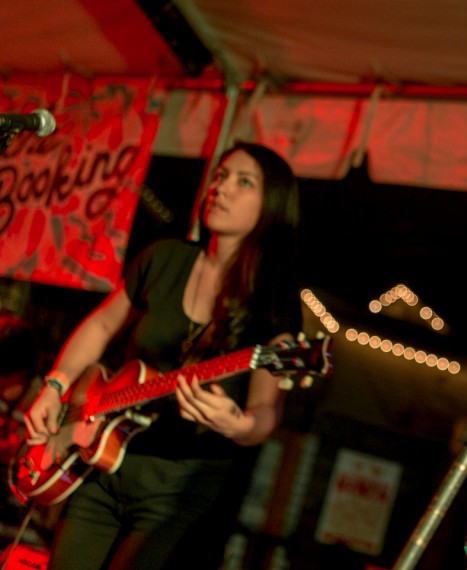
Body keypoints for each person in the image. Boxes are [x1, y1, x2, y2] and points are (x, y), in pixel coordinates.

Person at [24, 142, 302, 569]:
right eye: (221, 175)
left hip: (180, 495)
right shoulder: (165, 257)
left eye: (243, 182)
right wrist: (56, 385)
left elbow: (266, 412)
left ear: (272, 206)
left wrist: (239, 424)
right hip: (105, 465)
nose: (221, 188)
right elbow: (100, 325)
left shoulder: (272, 298)